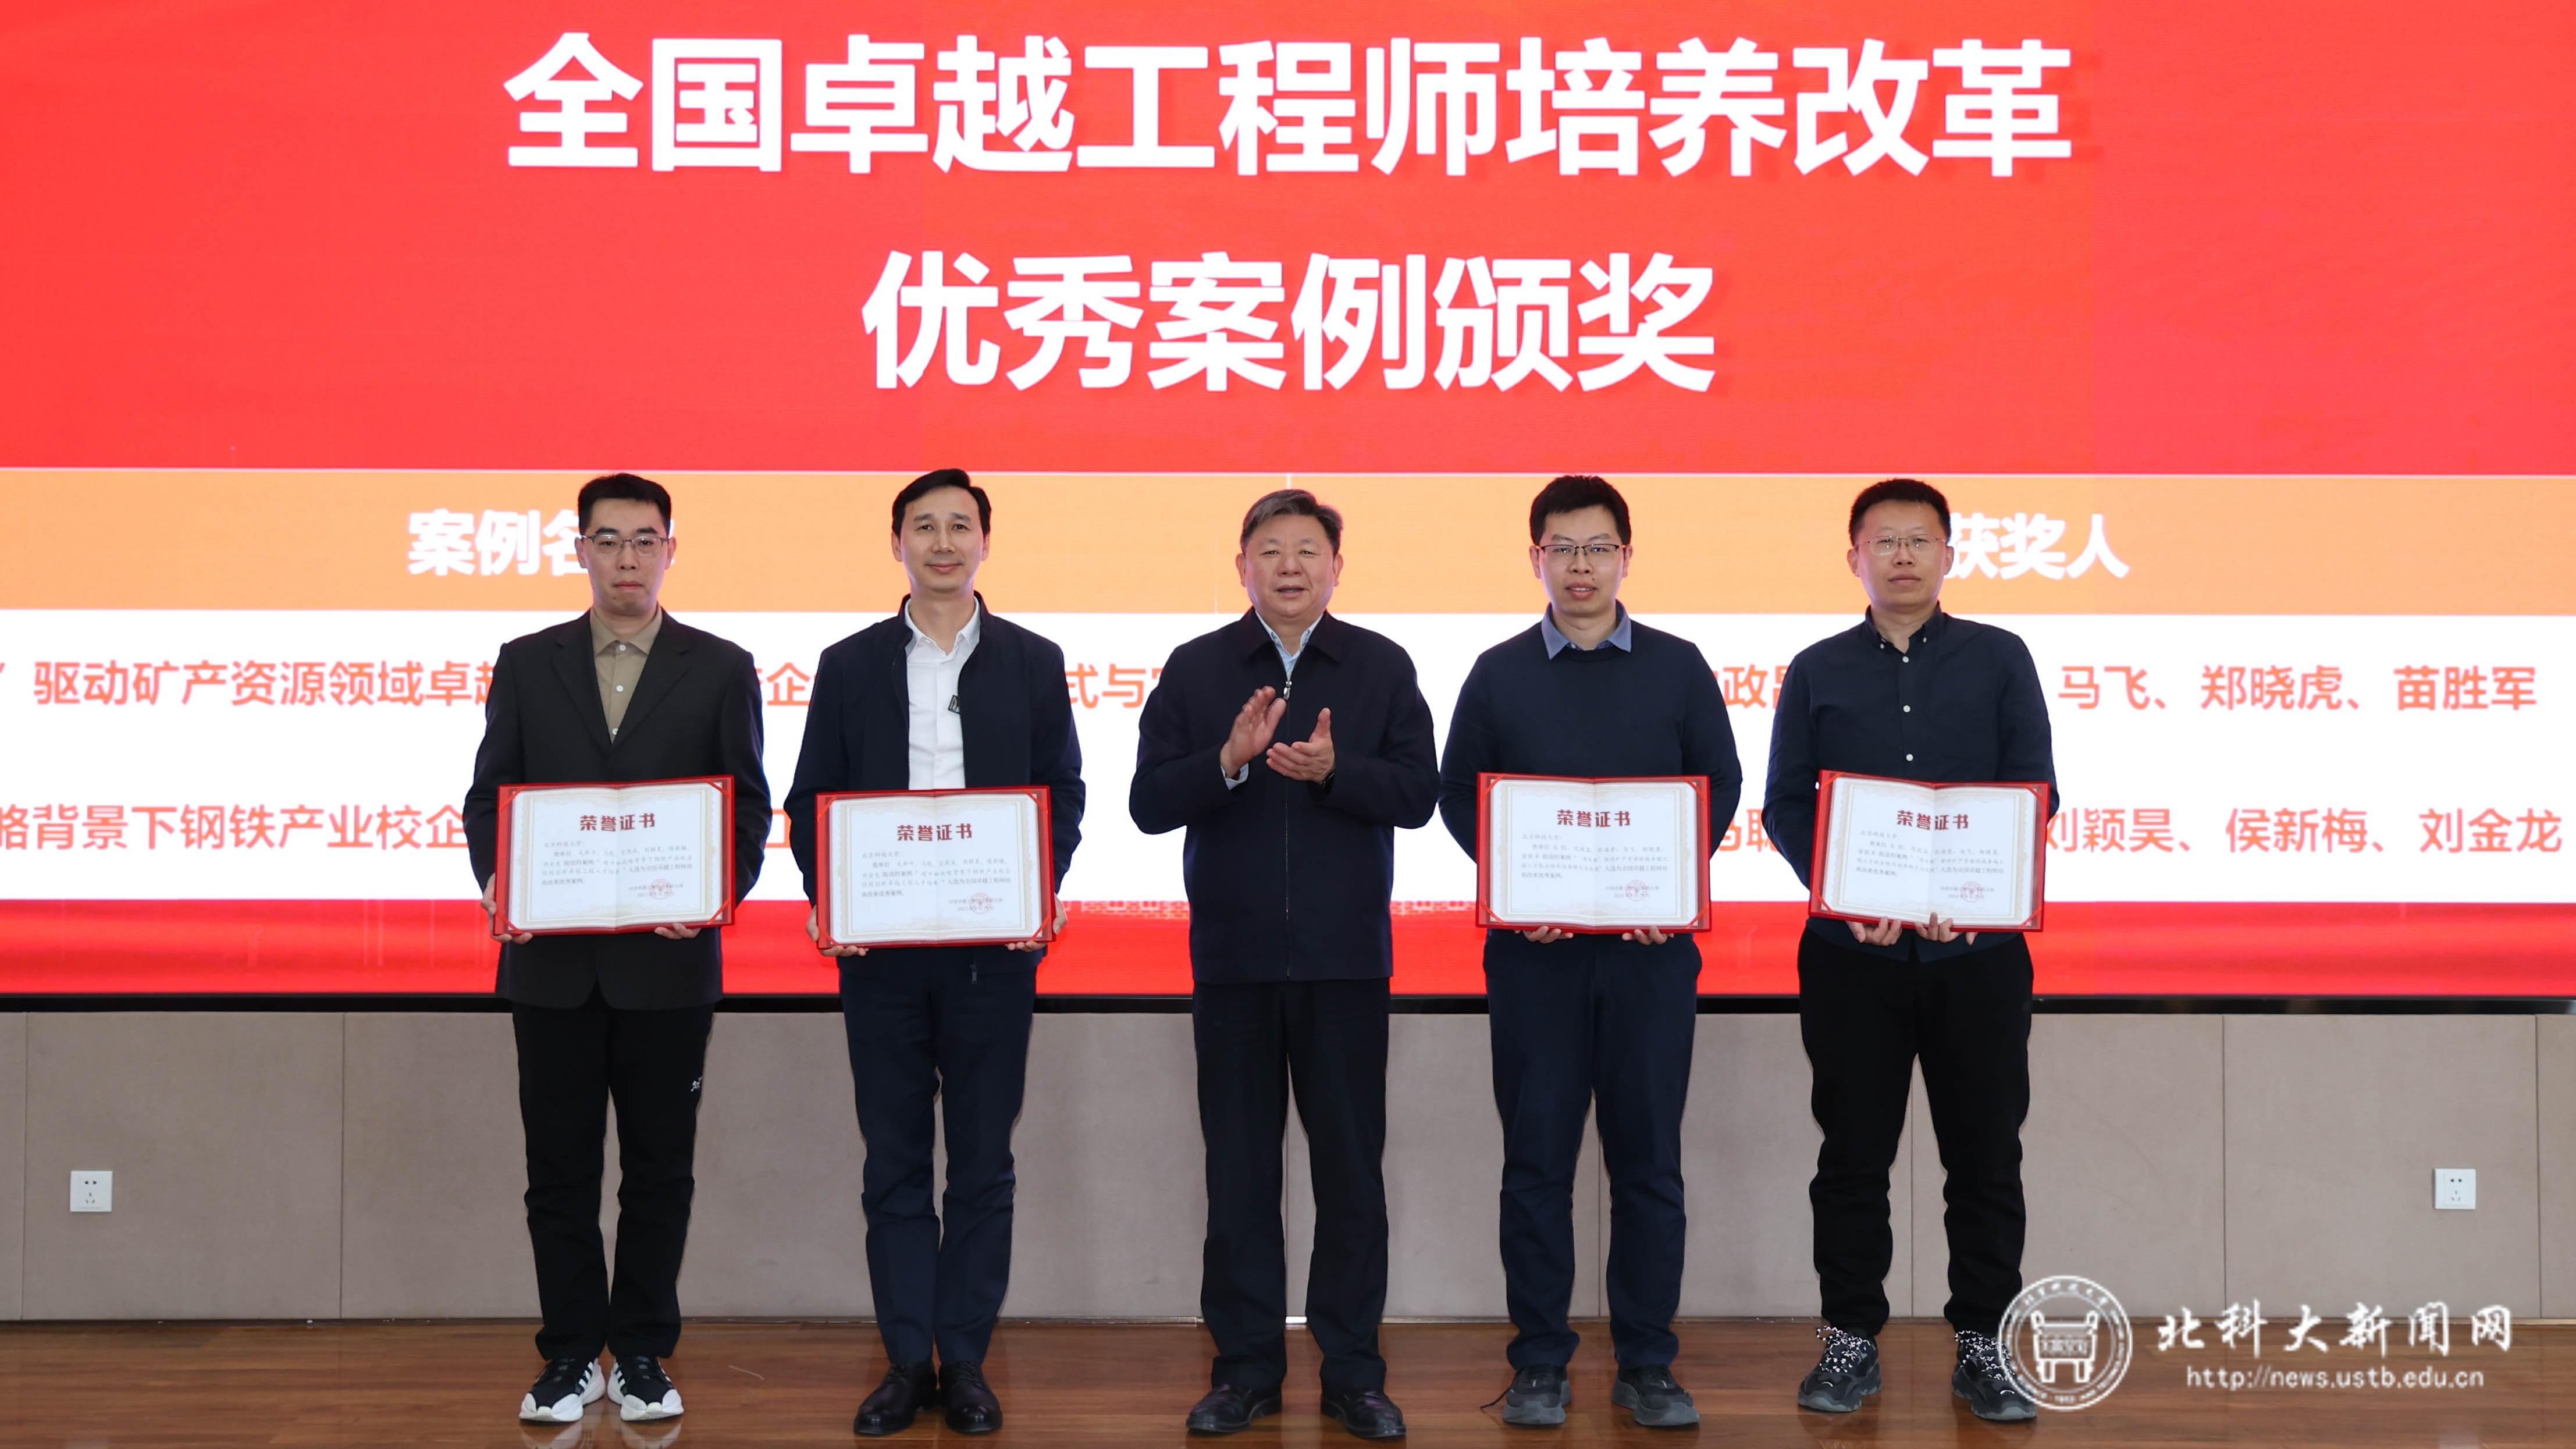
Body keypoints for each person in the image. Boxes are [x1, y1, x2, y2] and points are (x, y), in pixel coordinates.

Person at [1129, 488, 1438, 1441]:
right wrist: (1225, 762)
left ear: (1337, 568)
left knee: (1351, 1179)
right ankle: (1245, 1369)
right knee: (1239, 1177)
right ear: (1243, 567)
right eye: (1271, 550)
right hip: (1233, 964)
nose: (1290, 565)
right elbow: (1147, 802)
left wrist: (1336, 773)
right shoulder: (1197, 668)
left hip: (1347, 966)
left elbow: (1420, 794)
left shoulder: (1380, 665)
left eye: (1308, 549)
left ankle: (1354, 1373)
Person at [463, 472, 770, 1426]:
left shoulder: (720, 667)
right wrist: (501, 880)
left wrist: (713, 894)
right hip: (552, 965)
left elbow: (747, 809)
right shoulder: (528, 662)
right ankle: (568, 1355)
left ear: (669, 550)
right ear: (581, 551)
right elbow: (491, 797)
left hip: (666, 966)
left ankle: (639, 1351)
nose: (627, 558)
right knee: (557, 1171)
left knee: (658, 1170)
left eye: (644, 540)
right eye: (608, 540)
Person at [1435, 475, 1742, 1430]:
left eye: (1598, 547)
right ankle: (1539, 1359)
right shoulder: (1497, 673)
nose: (1581, 565)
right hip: (1537, 959)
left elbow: (1719, 784)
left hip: (1651, 958)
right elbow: (1460, 795)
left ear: (1626, 557)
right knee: (1536, 1164)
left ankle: (1648, 1362)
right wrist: (1517, 890)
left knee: (1649, 1165)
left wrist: (1670, 890)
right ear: (1536, 558)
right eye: (1562, 548)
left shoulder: (1679, 667)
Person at [784, 469, 1084, 1437]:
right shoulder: (849, 664)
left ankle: (968, 1362)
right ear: (898, 543)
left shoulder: (1033, 661)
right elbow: (810, 799)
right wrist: (834, 896)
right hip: (880, 955)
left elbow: (1062, 792)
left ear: (984, 543)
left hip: (994, 953)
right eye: (925, 526)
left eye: (961, 525)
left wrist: (1034, 885)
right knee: (895, 1162)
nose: (943, 542)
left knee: (984, 1164)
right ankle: (907, 1362)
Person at [1763, 478, 2059, 1423]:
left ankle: (1984, 1343)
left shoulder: (2000, 658)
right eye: (1883, 540)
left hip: (1979, 956)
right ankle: (1851, 1339)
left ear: (1948, 554)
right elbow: (1787, 803)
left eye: (1919, 539)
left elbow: (2035, 790)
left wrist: (1969, 895)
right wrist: (1851, 894)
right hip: (1852, 956)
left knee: (1986, 1157)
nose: (1901, 555)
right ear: (1853, 556)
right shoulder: (1816, 669)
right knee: (1853, 1157)